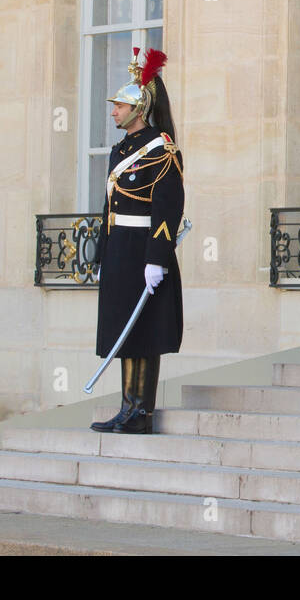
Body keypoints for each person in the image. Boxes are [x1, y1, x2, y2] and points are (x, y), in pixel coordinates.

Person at [91, 47, 184, 434]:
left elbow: (169, 206)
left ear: (139, 109)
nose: (114, 111)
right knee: (123, 331)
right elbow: (108, 207)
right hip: (119, 250)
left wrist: (157, 258)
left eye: (120, 106)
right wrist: (100, 253)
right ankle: (126, 406)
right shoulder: (120, 150)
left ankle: (141, 412)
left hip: (144, 251)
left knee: (142, 332)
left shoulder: (160, 150)